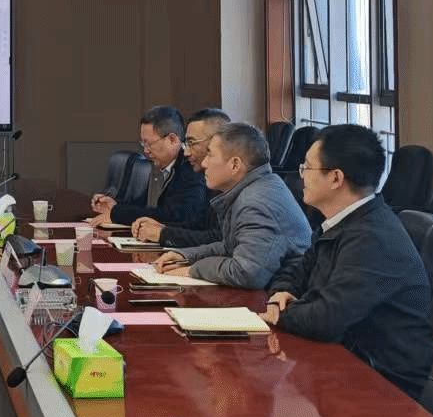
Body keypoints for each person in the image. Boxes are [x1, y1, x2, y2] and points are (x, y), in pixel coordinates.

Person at [260, 124, 433, 399]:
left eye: (307, 167)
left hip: (382, 385)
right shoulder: (340, 221)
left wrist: (281, 313)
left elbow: (326, 318)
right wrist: (281, 293)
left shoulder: (373, 238)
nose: (301, 175)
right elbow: (297, 271)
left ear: (336, 178)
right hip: (343, 361)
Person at [153, 123, 312, 289]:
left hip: (282, 295)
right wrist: (185, 256)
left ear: (235, 165)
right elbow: (231, 246)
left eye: (210, 155)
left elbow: (247, 273)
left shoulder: (255, 202)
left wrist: (193, 270)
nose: (204, 163)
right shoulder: (258, 186)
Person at [88, 105, 209, 231]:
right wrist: (115, 208)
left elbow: (175, 216)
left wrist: (118, 213)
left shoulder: (192, 169)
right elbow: (152, 210)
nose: (146, 151)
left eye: (149, 144)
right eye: (143, 144)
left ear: (172, 139)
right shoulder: (164, 167)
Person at [132, 107, 229, 246]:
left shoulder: (243, 191)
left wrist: (163, 234)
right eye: (186, 143)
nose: (186, 152)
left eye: (192, 143)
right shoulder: (214, 182)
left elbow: (221, 241)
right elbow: (198, 226)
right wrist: (162, 228)